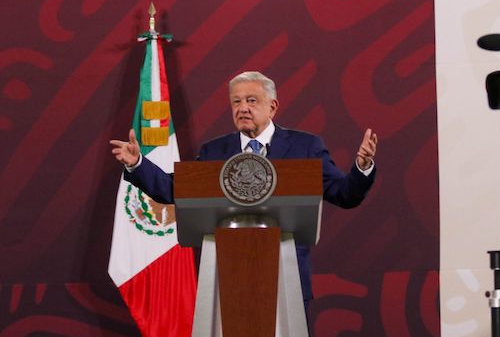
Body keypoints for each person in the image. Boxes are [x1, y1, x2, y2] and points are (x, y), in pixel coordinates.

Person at [110, 70, 378, 307]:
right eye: (236, 102)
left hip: (288, 279)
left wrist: (362, 166)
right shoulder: (215, 151)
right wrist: (138, 164)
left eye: (252, 100)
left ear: (272, 107)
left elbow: (345, 194)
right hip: (228, 279)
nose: (243, 108)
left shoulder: (305, 147)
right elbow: (174, 189)